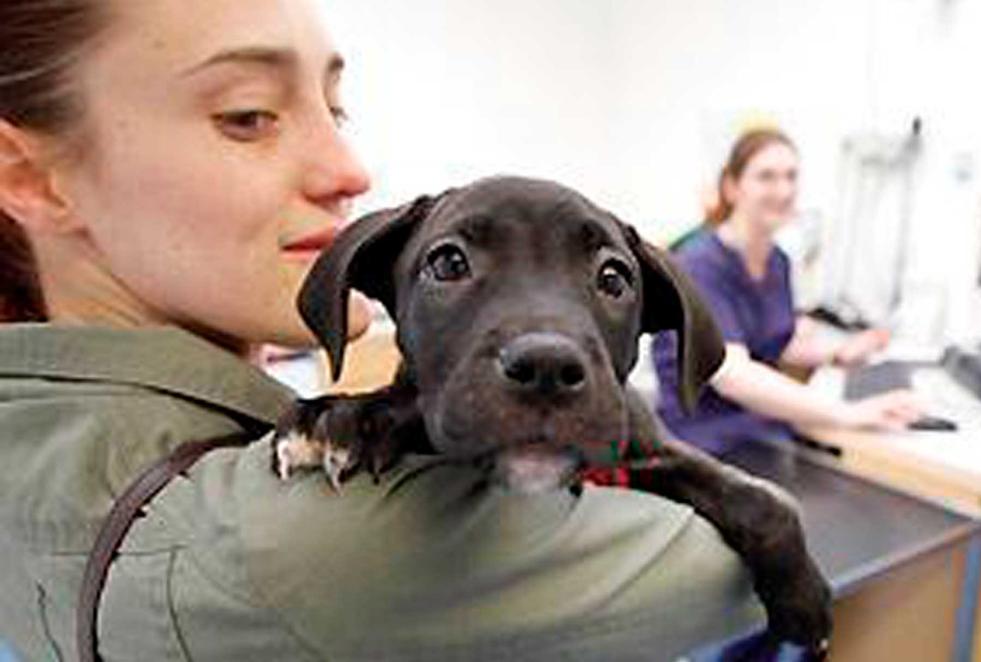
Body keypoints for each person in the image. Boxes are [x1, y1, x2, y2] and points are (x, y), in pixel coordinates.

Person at [0, 2, 765, 659]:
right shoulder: (293, 548)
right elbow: (740, 572)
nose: (350, 169)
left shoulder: (40, 431)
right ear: (29, 178)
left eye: (336, 111)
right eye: (247, 116)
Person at [652, 128, 922, 456]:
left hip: (757, 425)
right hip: (703, 441)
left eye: (791, 176)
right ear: (732, 188)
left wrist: (836, 353)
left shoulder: (777, 260)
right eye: (766, 177)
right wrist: (848, 413)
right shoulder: (700, 265)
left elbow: (772, 338)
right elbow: (732, 374)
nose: (783, 190)